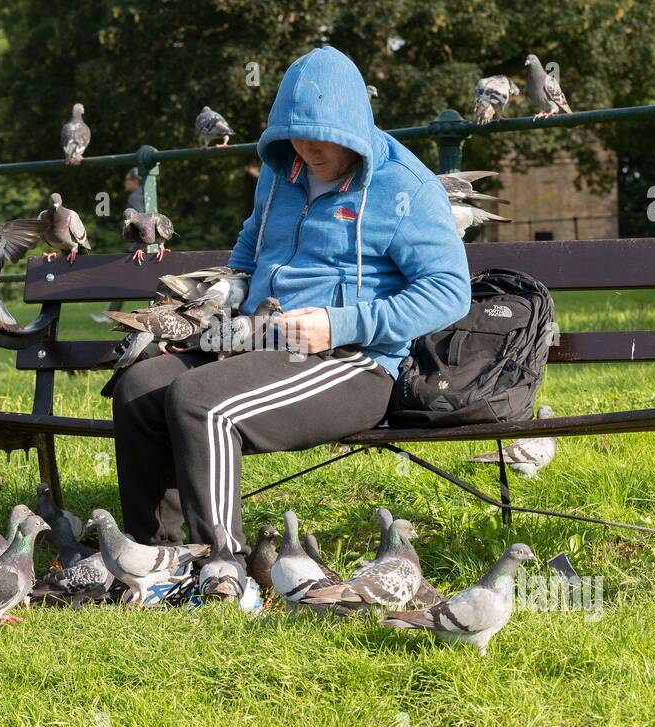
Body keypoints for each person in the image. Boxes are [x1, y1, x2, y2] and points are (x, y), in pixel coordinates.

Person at [112, 46, 470, 557]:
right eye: (294, 135)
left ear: (352, 126)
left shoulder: (404, 188)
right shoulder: (283, 172)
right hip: (254, 341)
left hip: (352, 362)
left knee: (201, 402)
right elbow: (251, 241)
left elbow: (449, 292)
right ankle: (156, 558)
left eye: (321, 137)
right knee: (140, 388)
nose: (307, 149)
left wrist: (338, 323)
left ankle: (223, 567)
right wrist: (221, 301)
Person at [90, 168, 146, 324]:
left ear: (135, 180)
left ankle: (109, 316)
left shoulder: (135, 196)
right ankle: (110, 315)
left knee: (121, 280)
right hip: (148, 245)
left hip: (140, 247)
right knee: (125, 280)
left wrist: (139, 246)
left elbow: (140, 221)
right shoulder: (147, 193)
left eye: (127, 179)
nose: (124, 182)